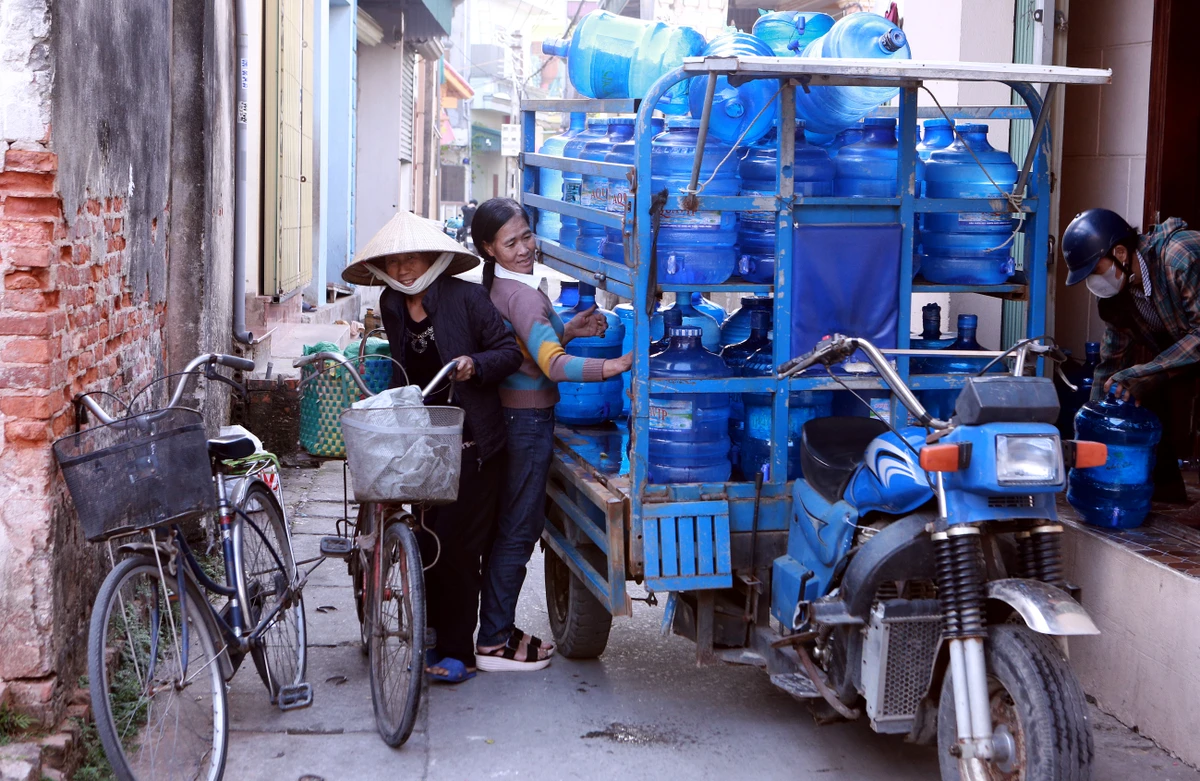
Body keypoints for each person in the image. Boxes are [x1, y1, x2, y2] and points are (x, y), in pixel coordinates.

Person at [342, 211, 523, 682]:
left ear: (434, 258)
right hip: (422, 443)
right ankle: (431, 637)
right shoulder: (391, 304)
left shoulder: (467, 299)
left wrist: (473, 364)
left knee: (460, 550)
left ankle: (458, 653)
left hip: (472, 444)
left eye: (413, 259)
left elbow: (509, 352)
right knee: (425, 543)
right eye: (395, 262)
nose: (404, 269)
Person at [471, 198, 632, 671]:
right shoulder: (523, 295)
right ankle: (495, 639)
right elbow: (551, 365)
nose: (524, 248)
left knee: (508, 528)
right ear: (489, 247)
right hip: (528, 424)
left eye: (526, 236)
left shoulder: (498, 288)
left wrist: (570, 327)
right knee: (519, 531)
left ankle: (496, 629)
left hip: (505, 419)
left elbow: (524, 344)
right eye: (511, 242)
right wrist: (614, 366)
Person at [1062, 208, 1200, 503]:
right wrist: (1092, 426)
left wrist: (1142, 374)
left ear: (1121, 252)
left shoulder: (1180, 257)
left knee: (1142, 377)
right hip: (1189, 350)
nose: (1093, 283)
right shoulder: (1119, 300)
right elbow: (1111, 364)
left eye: (1094, 270)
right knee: (1135, 391)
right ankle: (1166, 494)